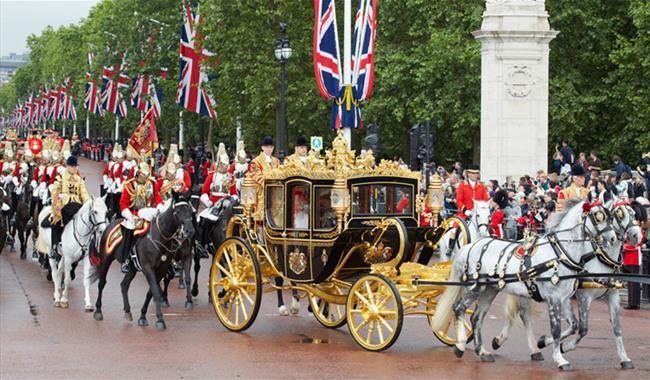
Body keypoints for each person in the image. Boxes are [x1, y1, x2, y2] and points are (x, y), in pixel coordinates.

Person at [119, 162, 162, 273]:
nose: (146, 177)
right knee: (129, 230)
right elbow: (123, 204)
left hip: (150, 211)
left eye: (147, 174)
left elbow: (158, 198)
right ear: (138, 173)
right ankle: (126, 259)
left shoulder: (152, 183)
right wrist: (130, 216)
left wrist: (160, 208)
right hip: (135, 214)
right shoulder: (130, 185)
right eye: (143, 174)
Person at [48, 156, 90, 259]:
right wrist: (59, 196)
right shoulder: (61, 177)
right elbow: (54, 189)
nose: (75, 168)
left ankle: (85, 244)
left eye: (75, 166)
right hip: (64, 204)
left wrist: (88, 202)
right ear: (68, 166)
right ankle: (54, 245)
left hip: (76, 205)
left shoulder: (79, 180)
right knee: (56, 219)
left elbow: (84, 193)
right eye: (72, 166)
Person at [249, 136, 280, 221]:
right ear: (262, 148)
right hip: (261, 193)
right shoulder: (256, 161)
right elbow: (257, 177)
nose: (269, 149)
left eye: (271, 147)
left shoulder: (276, 161)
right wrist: (270, 186)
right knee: (261, 217)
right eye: (267, 147)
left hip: (275, 192)